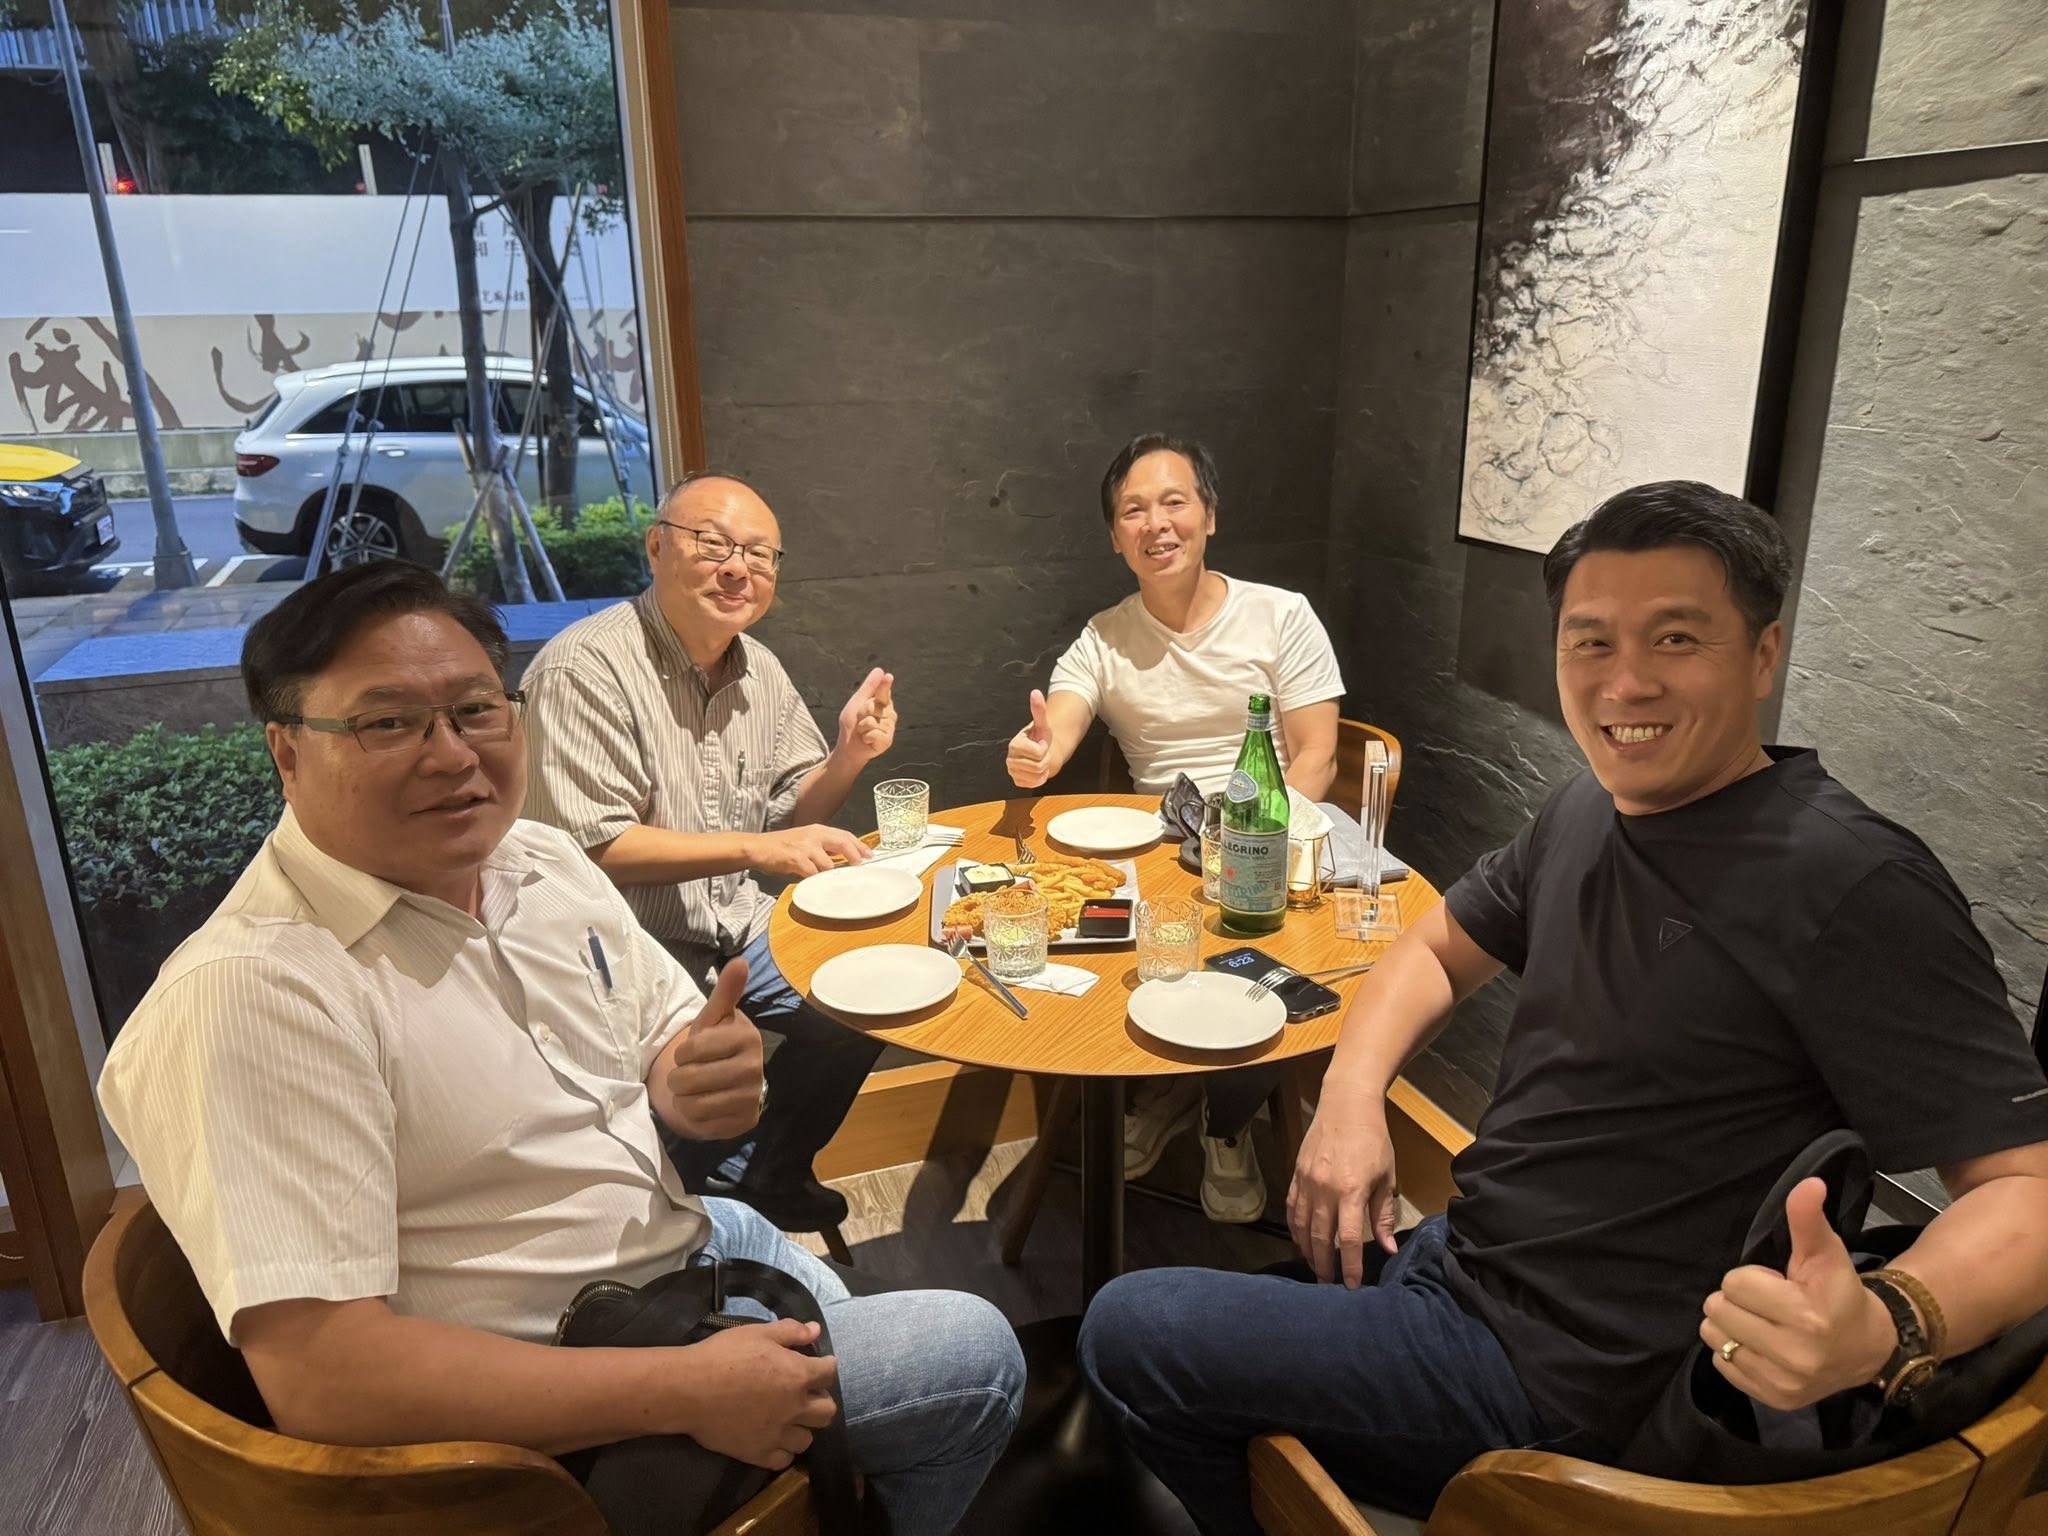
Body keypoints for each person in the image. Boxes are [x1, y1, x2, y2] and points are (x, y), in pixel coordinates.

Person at [1077, 480, 2048, 1533]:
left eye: (1675, 638)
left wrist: (1888, 1323)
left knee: (1132, 1328)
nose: (1623, 681)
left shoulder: (1850, 882)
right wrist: (1350, 1099)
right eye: (1590, 642)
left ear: (1763, 654)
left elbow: (2027, 1188)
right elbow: (1434, 948)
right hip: (1469, 1253)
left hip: (1567, 1377)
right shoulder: (1589, 806)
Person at [98, 563, 1022, 1536]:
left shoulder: (530, 860)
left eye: (474, 710)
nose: (451, 754)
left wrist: (686, 1074)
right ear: (287, 752)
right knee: (973, 1355)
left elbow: (662, 1032)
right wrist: (681, 1390)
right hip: (559, 1390)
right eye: (387, 722)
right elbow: (327, 1381)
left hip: (672, 1235)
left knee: (778, 1244)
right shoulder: (257, 994)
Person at [521, 472, 897, 1233]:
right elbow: (595, 847)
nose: (737, 569)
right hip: (621, 950)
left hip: (732, 921)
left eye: (759, 554)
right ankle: (694, 1216)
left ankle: (768, 1172)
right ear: (657, 547)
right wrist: (761, 845)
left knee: (864, 1002)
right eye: (714, 544)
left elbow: (794, 811)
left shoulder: (758, 667)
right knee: (687, 1107)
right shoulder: (583, 670)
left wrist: (849, 756)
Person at [1005, 432, 1347, 1223]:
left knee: (1270, 957)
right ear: (1114, 535)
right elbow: (1059, 726)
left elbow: (1317, 756)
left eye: (1174, 502)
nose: (1156, 524)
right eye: (1134, 511)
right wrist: (1037, 754)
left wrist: (1250, 846)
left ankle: (1224, 1120)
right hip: (1161, 849)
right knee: (1108, 931)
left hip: (1271, 835)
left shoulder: (1280, 615)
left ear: (1209, 515)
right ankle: (1168, 1093)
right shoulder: (1104, 636)